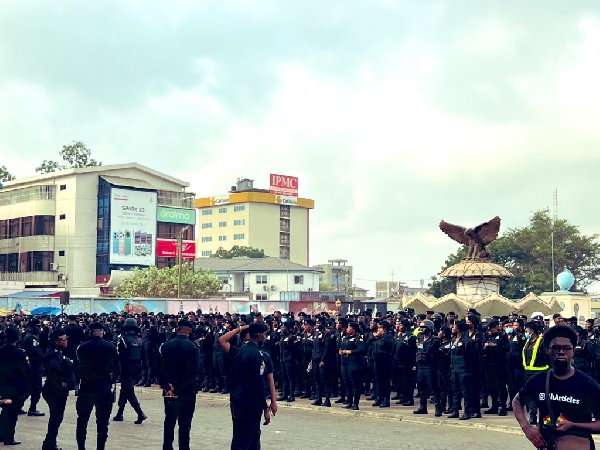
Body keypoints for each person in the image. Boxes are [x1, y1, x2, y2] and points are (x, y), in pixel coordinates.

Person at [513, 325, 600, 450]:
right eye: (556, 348)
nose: (561, 352)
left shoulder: (587, 385)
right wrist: (527, 428)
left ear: (573, 352)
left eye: (566, 348)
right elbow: (518, 400)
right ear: (548, 350)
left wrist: (573, 425)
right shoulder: (539, 380)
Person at [76, 321, 120, 450]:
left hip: (86, 387)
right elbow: (117, 369)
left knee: (82, 420)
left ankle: (81, 447)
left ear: (90, 332)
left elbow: (77, 368)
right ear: (101, 331)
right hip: (103, 387)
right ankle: (100, 447)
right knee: (102, 421)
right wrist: (112, 379)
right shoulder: (110, 347)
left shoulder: (82, 347)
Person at [157, 319, 201, 450]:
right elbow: (194, 371)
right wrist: (180, 387)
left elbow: (158, 368)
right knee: (185, 424)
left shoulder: (165, 346)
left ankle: (167, 447)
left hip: (169, 391)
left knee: (169, 421)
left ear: (178, 329)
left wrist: (167, 386)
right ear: (190, 331)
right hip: (187, 391)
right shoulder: (193, 347)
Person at [229, 322, 273, 450]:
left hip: (238, 398)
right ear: (259, 335)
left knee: (248, 438)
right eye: (264, 334)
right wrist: (265, 408)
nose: (265, 337)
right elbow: (257, 383)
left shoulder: (241, 350)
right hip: (250, 402)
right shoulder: (256, 355)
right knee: (246, 439)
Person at [42, 328, 76, 450]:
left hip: (54, 391)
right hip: (55, 392)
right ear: (56, 341)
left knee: (56, 418)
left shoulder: (57, 353)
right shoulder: (54, 355)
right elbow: (53, 370)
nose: (66, 341)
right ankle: (49, 444)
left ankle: (49, 443)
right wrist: (62, 384)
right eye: (63, 339)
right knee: (56, 418)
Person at [113, 318, 147, 424]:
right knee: (125, 390)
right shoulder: (140, 339)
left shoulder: (123, 339)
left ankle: (140, 413)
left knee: (129, 391)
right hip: (137, 368)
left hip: (125, 367)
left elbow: (118, 355)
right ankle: (120, 413)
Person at [0, 327, 29, 446]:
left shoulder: (1, 351)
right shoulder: (19, 353)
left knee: (5, 410)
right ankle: (9, 437)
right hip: (15, 386)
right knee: (12, 412)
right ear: (17, 338)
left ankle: (2, 434)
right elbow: (25, 370)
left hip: (3, 384)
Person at [21, 318, 45, 417]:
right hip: (34, 366)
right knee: (35, 388)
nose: (39, 328)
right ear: (32, 327)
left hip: (31, 366)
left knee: (28, 388)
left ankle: (18, 405)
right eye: (38, 326)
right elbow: (36, 352)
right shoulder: (31, 338)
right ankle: (33, 408)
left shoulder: (29, 336)